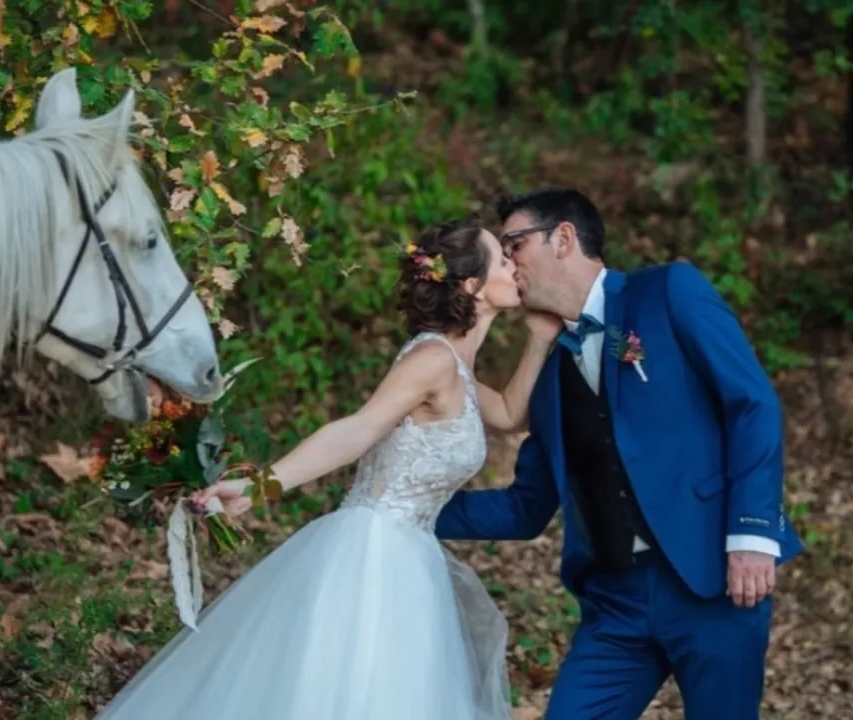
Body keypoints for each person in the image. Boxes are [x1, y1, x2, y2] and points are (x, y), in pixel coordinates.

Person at [92, 216, 563, 720]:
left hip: (412, 554)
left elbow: (510, 414)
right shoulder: (434, 360)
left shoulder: (457, 367)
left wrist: (540, 337)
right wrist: (259, 487)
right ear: (472, 286)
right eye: (503, 259)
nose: (515, 265)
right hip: (374, 555)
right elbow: (358, 430)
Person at [434, 188, 804, 719]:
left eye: (514, 245)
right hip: (615, 603)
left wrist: (752, 533)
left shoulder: (668, 292)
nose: (509, 263)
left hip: (714, 580)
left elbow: (751, 404)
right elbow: (526, 507)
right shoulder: (546, 378)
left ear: (563, 238)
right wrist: (412, 510)